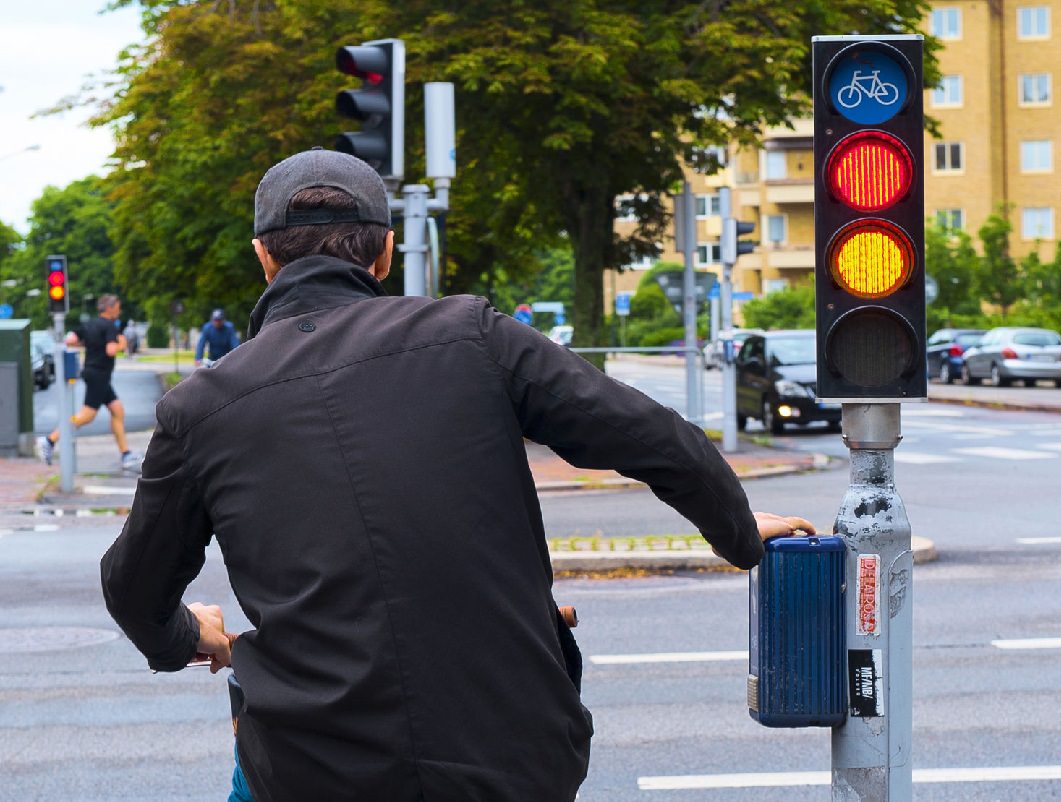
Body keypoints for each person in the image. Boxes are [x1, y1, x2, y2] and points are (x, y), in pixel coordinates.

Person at [99, 149, 814, 802]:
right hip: (513, 759)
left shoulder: (200, 409)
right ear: (383, 254)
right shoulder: (476, 337)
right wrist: (739, 534)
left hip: (311, 770)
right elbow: (657, 438)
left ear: (263, 258)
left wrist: (190, 633)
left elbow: (132, 587)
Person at [39, 294, 141, 472]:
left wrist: (89, 345)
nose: (119, 310)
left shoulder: (90, 324)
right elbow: (110, 350)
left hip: (92, 372)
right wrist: (122, 344)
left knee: (117, 410)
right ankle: (49, 440)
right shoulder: (110, 326)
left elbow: (70, 340)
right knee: (87, 415)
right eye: (117, 306)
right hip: (100, 375)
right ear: (109, 308)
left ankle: (126, 454)